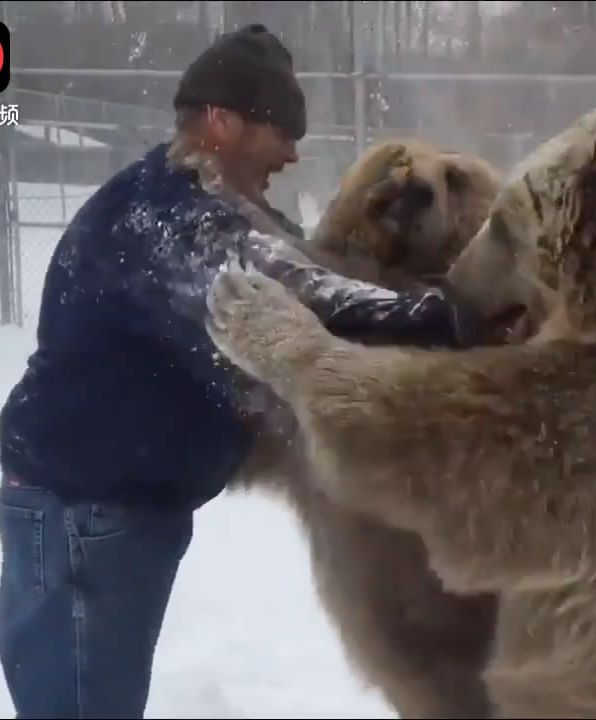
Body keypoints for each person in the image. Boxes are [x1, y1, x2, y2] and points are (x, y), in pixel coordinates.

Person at [0, 24, 473, 720]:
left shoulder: (205, 208)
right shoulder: (163, 216)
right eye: (280, 129)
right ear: (221, 121)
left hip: (110, 511)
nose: (292, 152)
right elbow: (299, 297)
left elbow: (306, 270)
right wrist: (452, 318)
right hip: (81, 518)